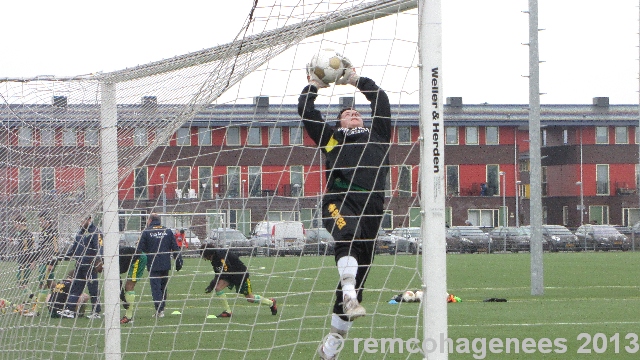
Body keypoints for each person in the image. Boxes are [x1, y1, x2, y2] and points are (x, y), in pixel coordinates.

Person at [298, 57, 391, 359]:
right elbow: (306, 111)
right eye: (347, 114)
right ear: (339, 122)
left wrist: (355, 79)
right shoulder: (331, 138)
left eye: (356, 113)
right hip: (340, 199)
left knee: (360, 273)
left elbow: (381, 101)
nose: (354, 115)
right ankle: (349, 294)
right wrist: (313, 86)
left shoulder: (377, 133)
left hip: (373, 205)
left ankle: (333, 343)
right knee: (346, 236)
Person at [200, 244, 277, 318]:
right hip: (229, 276)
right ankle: (228, 311)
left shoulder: (221, 255)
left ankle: (271, 303)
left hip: (240, 275)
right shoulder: (214, 260)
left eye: (205, 256)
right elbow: (218, 273)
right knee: (218, 288)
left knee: (250, 298)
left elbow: (226, 269)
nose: (205, 258)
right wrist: (212, 285)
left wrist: (214, 282)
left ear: (208, 253)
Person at [136, 213, 182, 318]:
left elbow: (140, 248)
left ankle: (159, 309)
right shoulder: (168, 231)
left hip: (153, 263)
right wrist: (179, 260)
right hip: (165, 263)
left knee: (156, 287)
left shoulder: (147, 232)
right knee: (163, 286)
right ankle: (162, 309)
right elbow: (175, 247)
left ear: (150, 220)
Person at [57, 215, 103, 319]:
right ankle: (70, 310)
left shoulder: (95, 232)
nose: (81, 222)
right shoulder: (79, 233)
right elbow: (74, 248)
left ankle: (96, 312)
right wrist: (63, 256)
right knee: (76, 288)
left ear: (89, 219)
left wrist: (99, 260)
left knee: (93, 288)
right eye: (80, 220)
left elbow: (99, 247)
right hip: (79, 265)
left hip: (90, 265)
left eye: (83, 220)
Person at [22, 211, 60, 317]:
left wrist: (52, 263)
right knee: (50, 283)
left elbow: (56, 248)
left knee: (43, 283)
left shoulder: (53, 231)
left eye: (41, 220)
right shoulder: (43, 232)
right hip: (43, 261)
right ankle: (63, 295)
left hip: (48, 261)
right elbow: (40, 249)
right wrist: (34, 260)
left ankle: (36, 310)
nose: (40, 222)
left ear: (47, 220)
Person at [118, 245, 147, 324]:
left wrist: (123, 300)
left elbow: (118, 283)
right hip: (135, 258)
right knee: (128, 286)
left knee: (129, 286)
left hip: (138, 259)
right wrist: (123, 299)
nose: (98, 272)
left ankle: (128, 317)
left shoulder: (111, 263)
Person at [13, 215, 36, 292]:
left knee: (22, 283)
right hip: (23, 260)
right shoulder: (23, 233)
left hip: (24, 260)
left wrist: (31, 261)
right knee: (21, 281)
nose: (14, 225)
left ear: (20, 223)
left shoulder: (25, 234)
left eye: (15, 223)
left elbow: (28, 249)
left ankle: (26, 298)